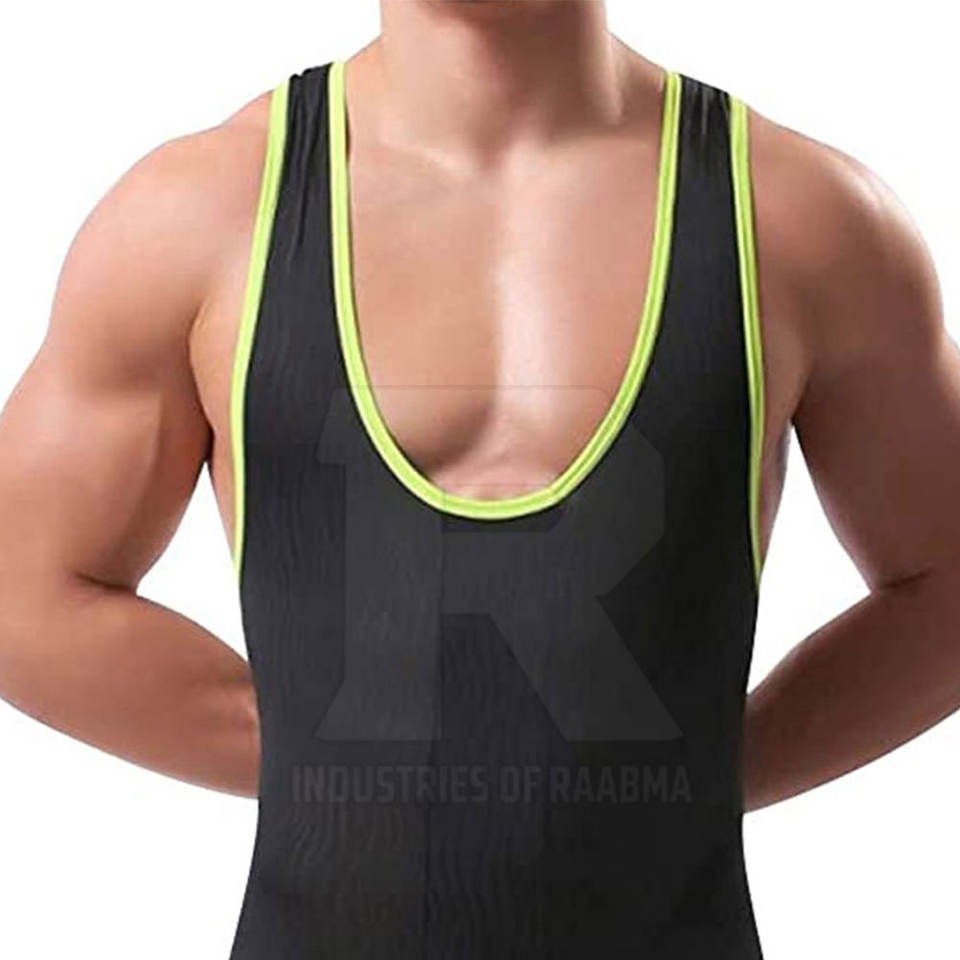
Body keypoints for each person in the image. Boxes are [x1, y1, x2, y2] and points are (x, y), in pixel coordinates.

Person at [1, 1, 958, 957]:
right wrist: (320, 756)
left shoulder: (804, 219)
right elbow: (21, 595)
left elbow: (945, 585)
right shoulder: (197, 217)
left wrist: (690, 772)